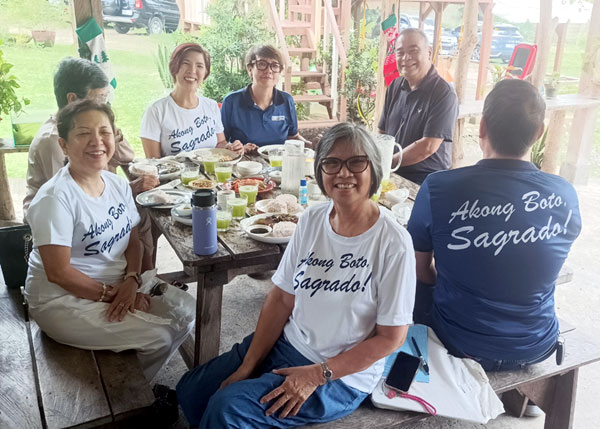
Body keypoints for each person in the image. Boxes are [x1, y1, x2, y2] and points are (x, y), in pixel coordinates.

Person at [177, 123, 416, 427]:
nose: (343, 173)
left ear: (374, 169)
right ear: (320, 171)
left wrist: (318, 375)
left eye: (357, 162)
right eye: (331, 162)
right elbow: (280, 298)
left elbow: (391, 338)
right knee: (192, 390)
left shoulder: (393, 242)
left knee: (226, 410)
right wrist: (248, 365)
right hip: (289, 343)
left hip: (340, 375)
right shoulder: (313, 219)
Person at [407, 79, 582, 372]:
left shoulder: (439, 188)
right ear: (539, 133)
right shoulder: (564, 194)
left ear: (483, 127)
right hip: (535, 344)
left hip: (457, 340)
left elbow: (420, 269)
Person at [24, 99, 195, 381]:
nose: (97, 141)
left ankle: (133, 387)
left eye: (105, 131)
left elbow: (133, 239)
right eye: (83, 133)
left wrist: (131, 280)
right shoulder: (55, 198)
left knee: (185, 313)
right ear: (63, 144)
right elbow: (58, 273)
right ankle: (132, 398)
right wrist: (112, 296)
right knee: (159, 338)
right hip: (64, 299)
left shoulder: (116, 184)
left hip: (116, 283)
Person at [23, 57, 139, 218]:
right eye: (99, 98)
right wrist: (130, 190)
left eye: (105, 99)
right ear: (72, 99)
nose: (104, 105)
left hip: (93, 205)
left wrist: (113, 133)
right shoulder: (52, 141)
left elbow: (127, 157)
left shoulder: (95, 126)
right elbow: (70, 198)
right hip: (58, 218)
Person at [378, 28, 458, 184]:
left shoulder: (444, 93)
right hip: (392, 173)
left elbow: (428, 146)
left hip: (424, 180)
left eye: (413, 51)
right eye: (400, 52)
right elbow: (382, 132)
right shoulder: (395, 85)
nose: (406, 58)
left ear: (428, 52)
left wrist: (387, 163)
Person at [140, 42, 243, 158]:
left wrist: (230, 147)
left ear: (205, 73)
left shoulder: (211, 106)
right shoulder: (156, 111)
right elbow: (153, 162)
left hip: (212, 174)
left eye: (199, 66)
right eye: (185, 63)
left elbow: (220, 143)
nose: (192, 70)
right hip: (176, 176)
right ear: (174, 68)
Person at [220, 44, 311, 152]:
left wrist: (313, 145)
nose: (269, 70)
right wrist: (235, 148)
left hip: (279, 165)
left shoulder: (286, 100)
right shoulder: (232, 102)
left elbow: (293, 137)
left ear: (280, 71)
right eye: (262, 64)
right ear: (250, 69)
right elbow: (221, 142)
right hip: (245, 166)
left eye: (275, 65)